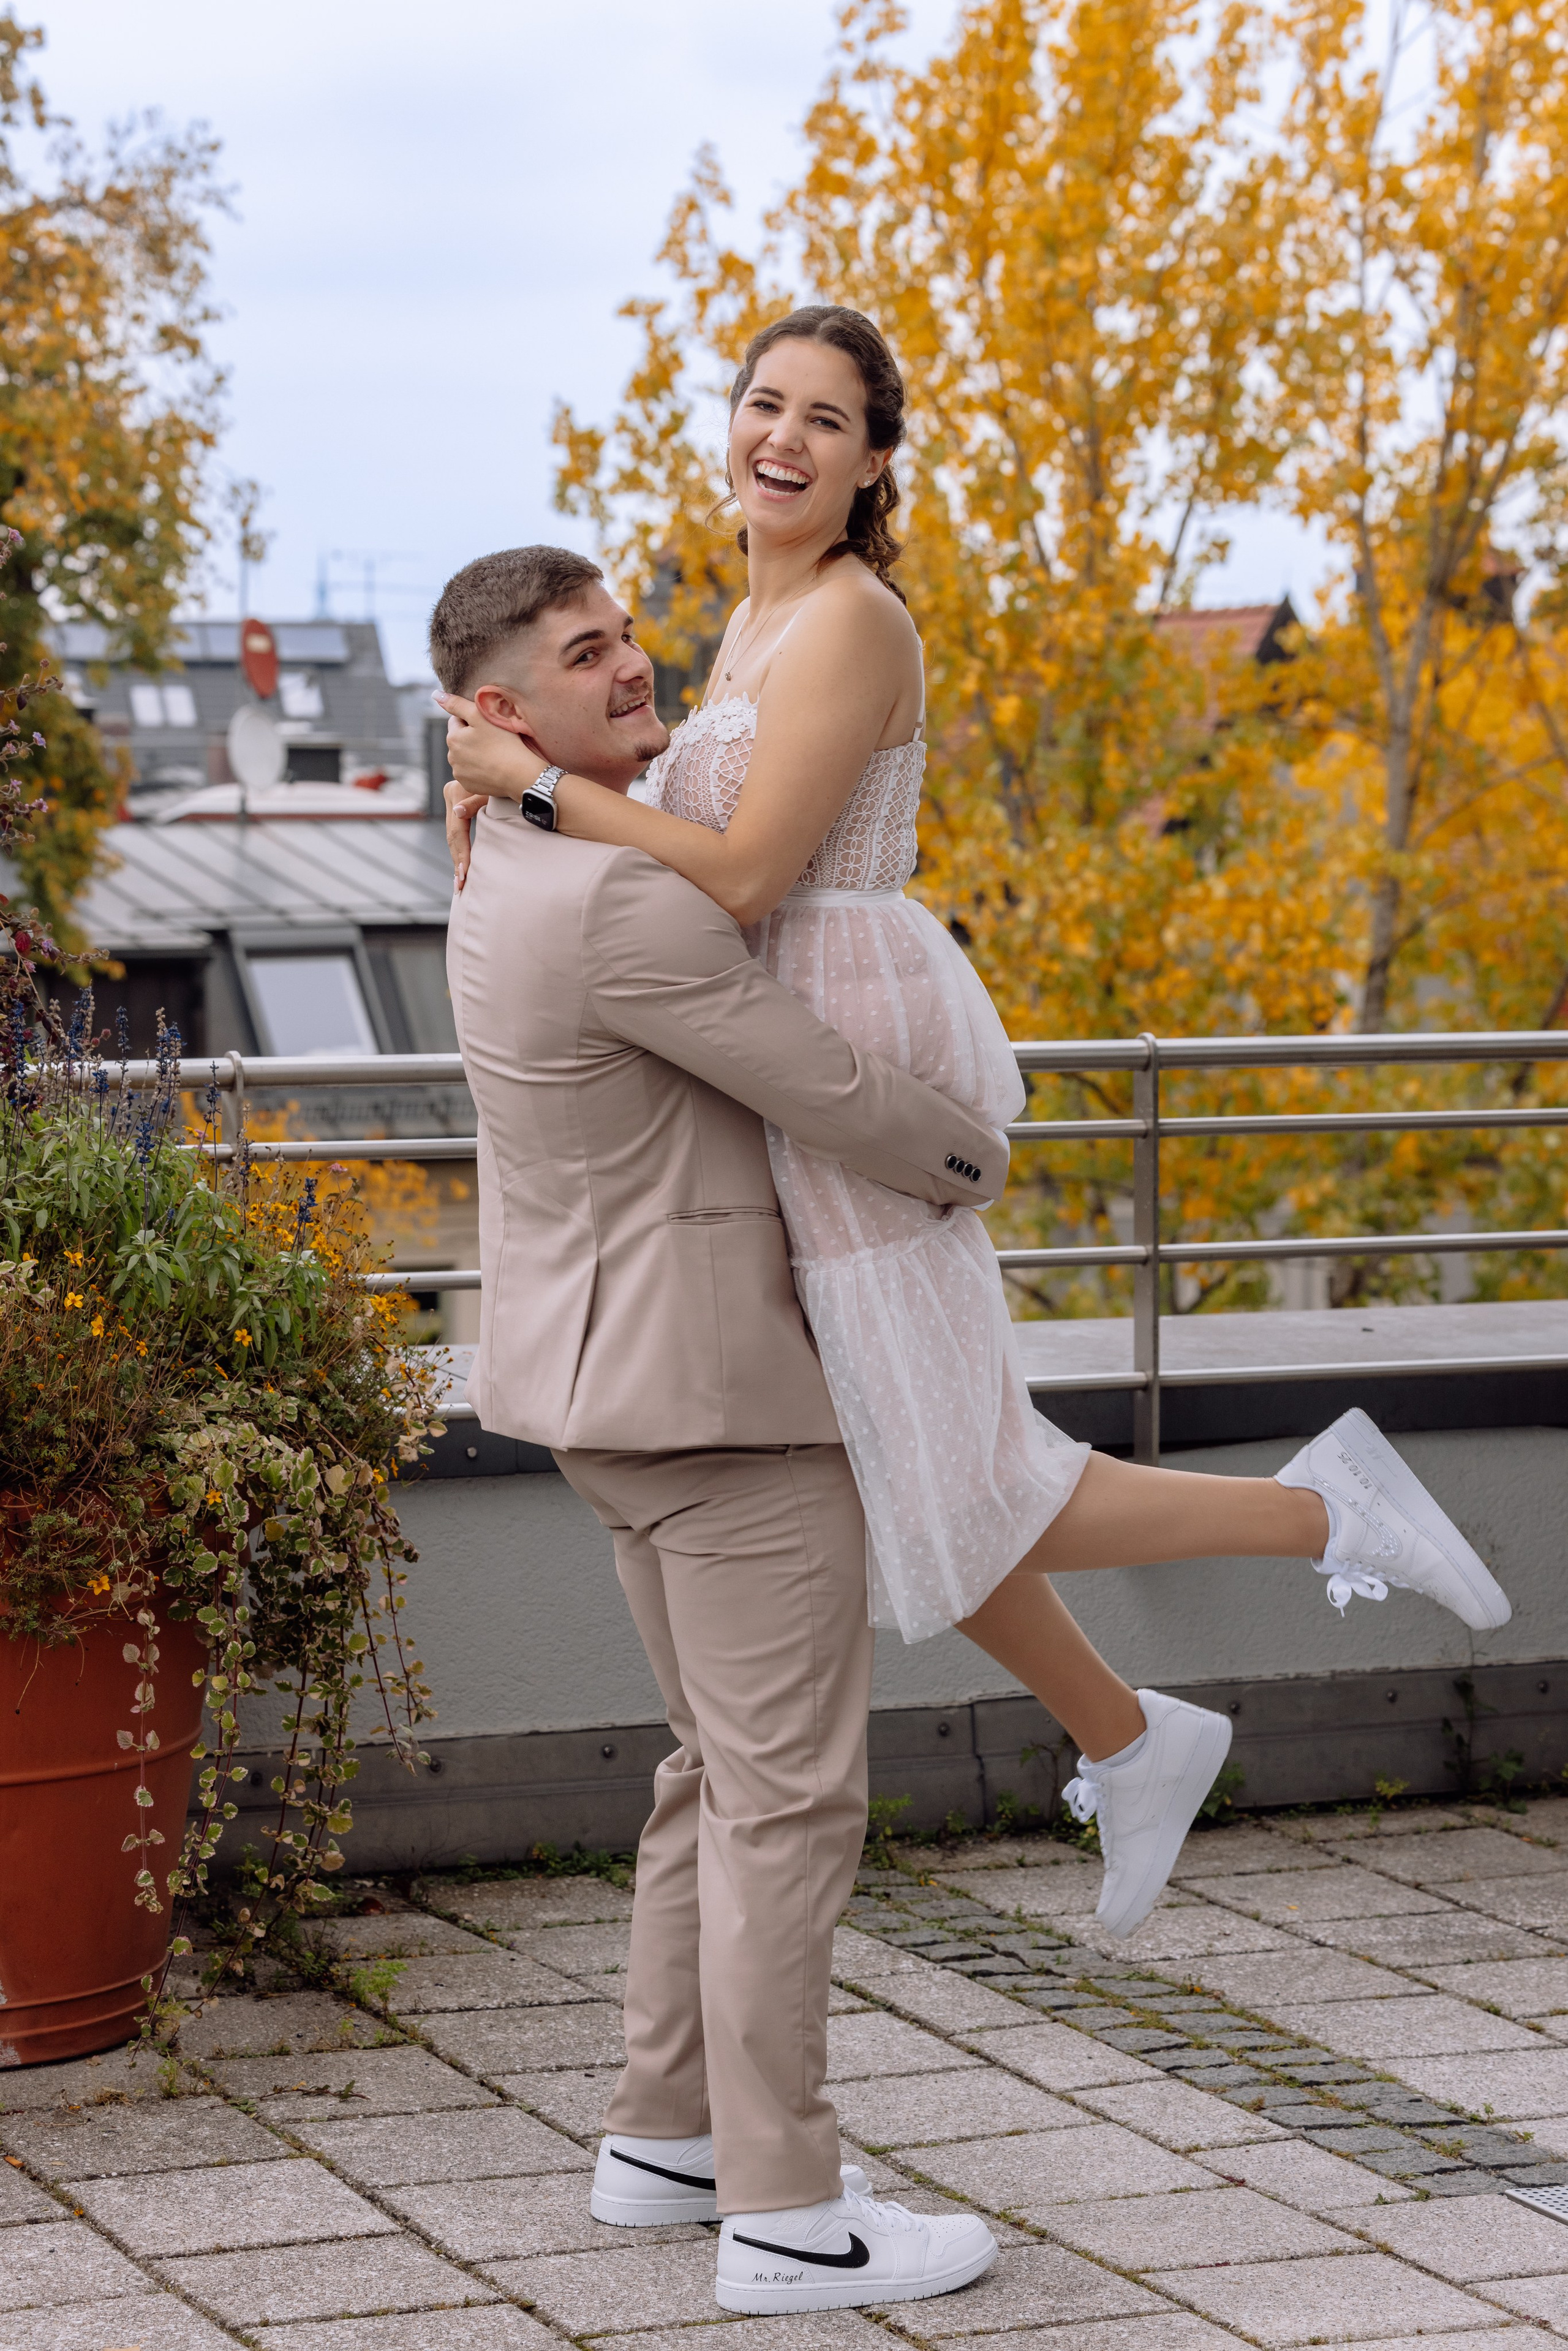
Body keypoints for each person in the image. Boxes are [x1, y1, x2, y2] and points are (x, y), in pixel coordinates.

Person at [439, 306, 1512, 1950]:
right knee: (901, 1454)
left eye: (827, 418)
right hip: (775, 1027)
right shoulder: (748, 616)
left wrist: (527, 785)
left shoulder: (853, 622)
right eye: (762, 404)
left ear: (875, 462)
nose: (782, 437)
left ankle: (1321, 1518)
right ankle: (1136, 1736)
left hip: (843, 1018)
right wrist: (513, 784)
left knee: (954, 1454)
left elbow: (738, 877)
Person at [435, 541, 1002, 2314]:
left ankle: (661, 2137)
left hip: (607, 1393)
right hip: (723, 1408)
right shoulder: (622, 900)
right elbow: (815, 1083)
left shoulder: (502, 866)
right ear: (501, 712)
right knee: (789, 1808)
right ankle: (786, 2211)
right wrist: (975, 1155)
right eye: (586, 656)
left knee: (710, 1777)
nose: (634, 669)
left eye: (629, 637)